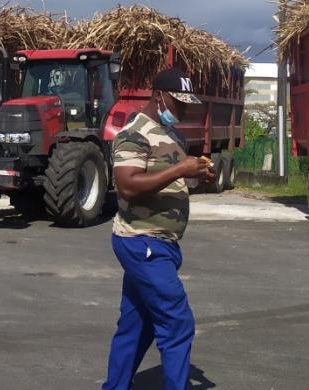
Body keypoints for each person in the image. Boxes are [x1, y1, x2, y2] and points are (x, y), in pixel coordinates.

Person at [102, 67, 217, 390]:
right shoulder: (134, 133)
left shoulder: (173, 136)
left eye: (185, 104)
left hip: (161, 243)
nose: (181, 110)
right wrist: (181, 167)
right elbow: (127, 185)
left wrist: (198, 174)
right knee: (178, 323)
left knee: (137, 325)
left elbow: (171, 177)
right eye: (176, 103)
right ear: (158, 97)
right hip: (142, 241)